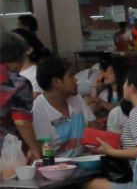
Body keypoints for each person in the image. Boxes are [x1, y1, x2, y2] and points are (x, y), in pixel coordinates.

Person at [32, 57, 97, 158]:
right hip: (58, 169)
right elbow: (44, 152)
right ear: (56, 82)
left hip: (86, 163)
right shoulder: (38, 111)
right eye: (70, 76)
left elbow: (95, 129)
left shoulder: (76, 99)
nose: (76, 79)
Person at [0, 31, 40, 162]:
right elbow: (21, 121)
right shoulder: (18, 83)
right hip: (5, 151)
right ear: (21, 56)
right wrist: (35, 149)